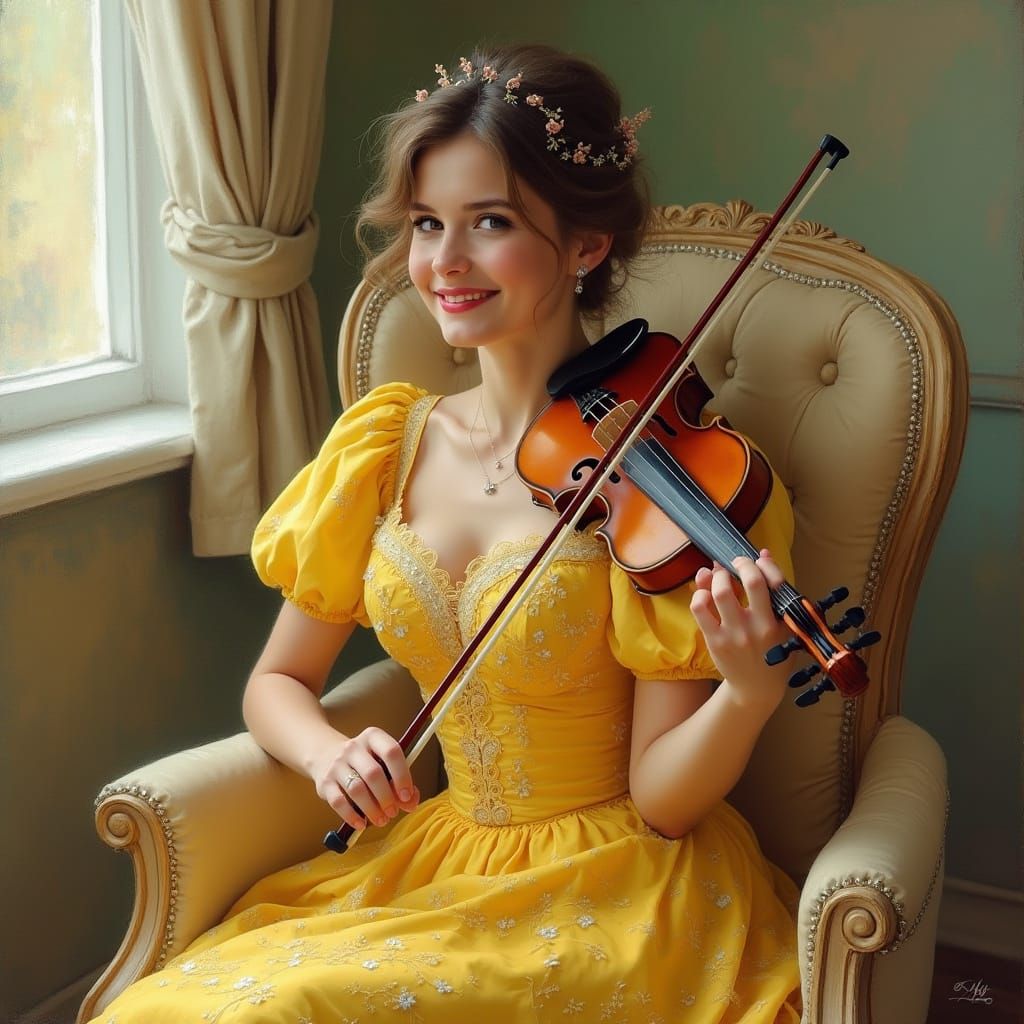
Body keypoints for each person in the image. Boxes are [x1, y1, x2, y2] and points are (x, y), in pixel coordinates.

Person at [95, 43, 802, 1023]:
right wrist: (327, 754)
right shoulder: (385, 444)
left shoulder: (661, 478)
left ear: (585, 246)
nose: (444, 263)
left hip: (613, 888)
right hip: (436, 859)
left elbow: (663, 802)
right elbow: (277, 683)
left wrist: (747, 694)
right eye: (428, 223)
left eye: (491, 223)